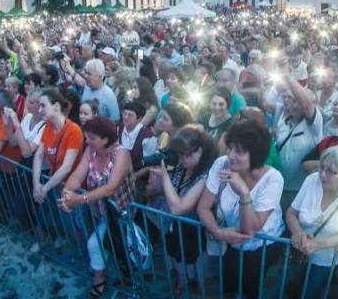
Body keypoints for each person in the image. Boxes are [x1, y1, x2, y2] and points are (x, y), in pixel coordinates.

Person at [196, 118, 285, 299]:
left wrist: (244, 193)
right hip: (231, 242)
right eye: (230, 148)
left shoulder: (273, 179)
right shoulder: (221, 164)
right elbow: (203, 208)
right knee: (230, 285)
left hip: (263, 246)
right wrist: (218, 231)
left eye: (239, 151)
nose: (230, 155)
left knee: (254, 290)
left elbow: (250, 230)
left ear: (256, 154)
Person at [60, 117, 136, 298]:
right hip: (99, 210)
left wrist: (79, 199)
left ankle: (103, 279)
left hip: (120, 213)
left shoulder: (121, 154)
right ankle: (114, 273)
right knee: (105, 244)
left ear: (105, 139)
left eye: (91, 138)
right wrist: (67, 192)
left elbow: (111, 186)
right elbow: (77, 176)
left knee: (97, 244)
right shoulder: (90, 151)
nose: (87, 141)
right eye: (87, 137)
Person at [286, 145, 338, 298]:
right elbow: (291, 213)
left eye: (332, 172)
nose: (323, 174)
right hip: (298, 254)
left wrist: (318, 244)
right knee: (290, 289)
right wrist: (299, 234)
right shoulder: (312, 179)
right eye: (322, 168)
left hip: (329, 262)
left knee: (310, 294)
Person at [147, 126, 217, 292]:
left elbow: (179, 207)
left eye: (188, 154)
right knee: (175, 255)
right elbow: (172, 192)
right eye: (180, 155)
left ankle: (191, 281)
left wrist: (164, 177)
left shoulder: (207, 175)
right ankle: (181, 279)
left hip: (193, 228)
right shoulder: (181, 168)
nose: (183, 159)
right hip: (174, 225)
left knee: (191, 258)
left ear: (201, 150)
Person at [274, 73, 324, 208]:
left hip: (301, 189)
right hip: (279, 184)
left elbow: (306, 104)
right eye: (289, 98)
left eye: (295, 99)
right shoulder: (284, 120)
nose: (290, 102)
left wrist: (288, 77)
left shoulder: (314, 124)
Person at [32, 89, 84, 204]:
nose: (39, 110)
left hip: (70, 191)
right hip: (54, 184)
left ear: (56, 106)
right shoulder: (48, 126)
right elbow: (39, 155)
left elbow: (67, 167)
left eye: (43, 106)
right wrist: (36, 184)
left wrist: (44, 189)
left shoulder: (74, 130)